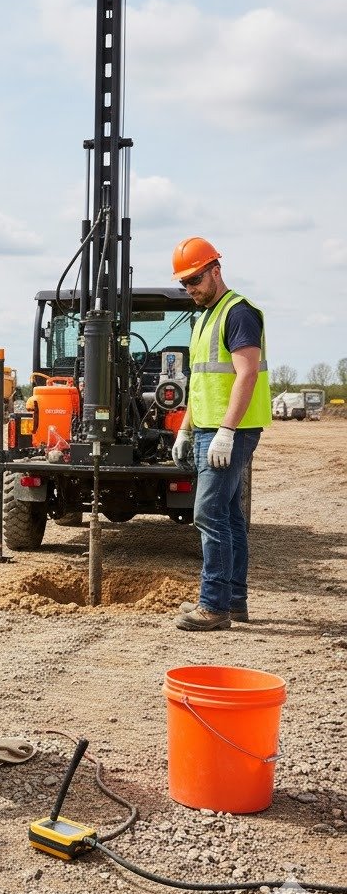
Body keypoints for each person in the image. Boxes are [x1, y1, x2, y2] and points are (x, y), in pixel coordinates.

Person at [170, 237, 270, 632]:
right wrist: (184, 428)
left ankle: (214, 607)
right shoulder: (205, 319)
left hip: (232, 430)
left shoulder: (239, 313)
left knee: (208, 513)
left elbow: (246, 374)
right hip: (207, 428)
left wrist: (226, 431)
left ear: (215, 270)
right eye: (185, 283)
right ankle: (233, 600)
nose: (191, 288)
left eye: (194, 279)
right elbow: (200, 383)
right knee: (227, 515)